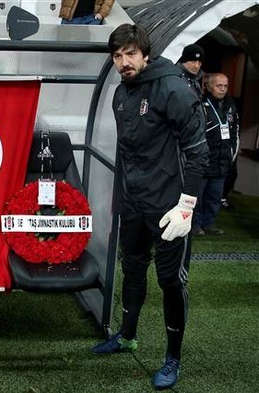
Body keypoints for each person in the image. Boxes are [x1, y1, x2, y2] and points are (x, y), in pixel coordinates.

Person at [92, 24, 208, 391]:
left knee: (171, 280)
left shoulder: (173, 87)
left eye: (130, 54)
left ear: (145, 54)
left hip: (171, 206)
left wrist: (186, 207)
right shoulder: (120, 95)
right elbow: (128, 154)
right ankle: (127, 336)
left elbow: (198, 154)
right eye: (117, 56)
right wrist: (122, 198)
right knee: (134, 268)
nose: (124, 62)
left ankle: (173, 358)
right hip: (136, 204)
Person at [192, 73, 240, 235]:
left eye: (225, 86)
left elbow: (235, 132)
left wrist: (231, 153)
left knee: (215, 196)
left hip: (222, 161)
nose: (223, 89)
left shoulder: (231, 105)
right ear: (209, 86)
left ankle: (209, 223)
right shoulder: (201, 104)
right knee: (197, 196)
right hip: (204, 160)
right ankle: (195, 225)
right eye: (219, 86)